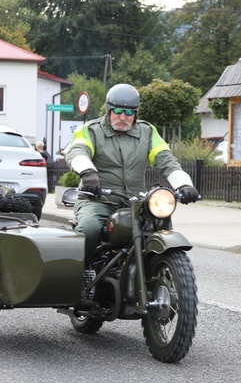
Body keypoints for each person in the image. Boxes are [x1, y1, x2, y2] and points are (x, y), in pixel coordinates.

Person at [64, 83, 199, 257]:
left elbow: (166, 160)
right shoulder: (90, 130)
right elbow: (77, 151)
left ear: (135, 113)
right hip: (99, 201)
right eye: (118, 111)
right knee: (89, 229)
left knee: (160, 227)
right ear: (109, 110)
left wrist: (184, 185)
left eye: (129, 112)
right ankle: (80, 274)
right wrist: (88, 172)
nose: (123, 117)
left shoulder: (148, 132)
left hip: (137, 203)